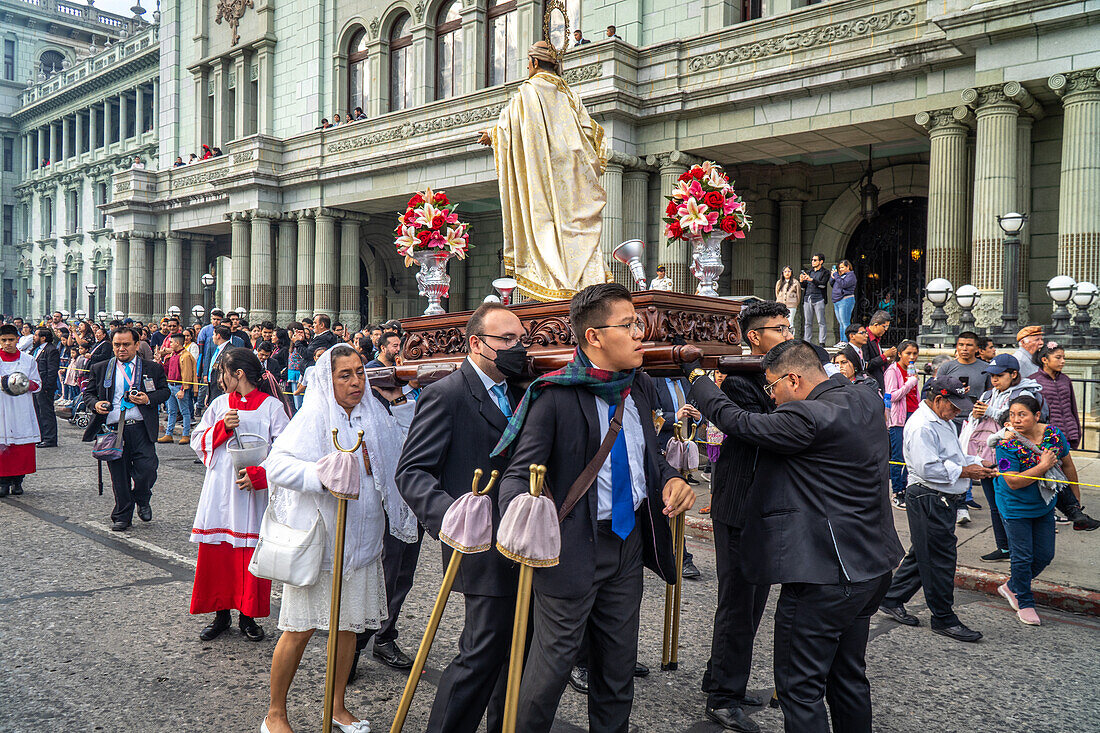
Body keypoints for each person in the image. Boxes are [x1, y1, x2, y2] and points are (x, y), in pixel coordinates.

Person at [495, 283, 695, 732]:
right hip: (570, 551)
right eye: (628, 325)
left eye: (637, 323)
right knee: (549, 674)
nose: (640, 333)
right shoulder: (556, 395)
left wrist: (674, 480)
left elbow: (650, 459)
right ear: (594, 338)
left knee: (617, 671)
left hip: (627, 545)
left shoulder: (638, 386)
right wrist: (529, 513)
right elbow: (515, 474)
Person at [686, 339, 903, 733]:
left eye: (772, 388)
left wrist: (700, 380)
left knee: (799, 689)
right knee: (849, 677)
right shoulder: (864, 399)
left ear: (793, 378)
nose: (772, 397)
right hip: (873, 565)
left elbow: (740, 423)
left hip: (825, 575)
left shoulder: (809, 417)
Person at [261, 345, 418, 733]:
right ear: (327, 380)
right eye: (344, 374)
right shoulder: (315, 416)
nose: (355, 381)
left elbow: (402, 447)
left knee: (348, 629)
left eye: (360, 373)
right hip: (324, 547)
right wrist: (321, 474)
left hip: (362, 546)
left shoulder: (373, 414)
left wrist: (398, 402)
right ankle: (275, 714)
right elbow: (276, 464)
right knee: (299, 630)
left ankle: (336, 705)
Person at [396, 303, 526, 733]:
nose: (516, 348)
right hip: (479, 541)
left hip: (521, 536)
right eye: (506, 340)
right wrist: (454, 518)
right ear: (476, 343)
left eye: (520, 340)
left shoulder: (519, 388)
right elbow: (412, 472)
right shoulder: (448, 393)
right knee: (481, 651)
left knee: (516, 650)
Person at [696, 300, 792, 733]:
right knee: (738, 603)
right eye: (779, 329)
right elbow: (763, 430)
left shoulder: (766, 378)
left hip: (763, 507)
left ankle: (719, 676)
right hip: (739, 505)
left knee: (753, 602)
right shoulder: (738, 381)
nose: (788, 335)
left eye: (789, 327)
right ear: (754, 337)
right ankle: (723, 696)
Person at [479, 42, 608, 301]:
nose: (528, 67)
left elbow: (512, 129)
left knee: (546, 225)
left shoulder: (529, 92)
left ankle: (555, 283)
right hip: (574, 173)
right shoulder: (570, 96)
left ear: (535, 63)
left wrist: (492, 135)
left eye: (528, 62)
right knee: (573, 229)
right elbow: (592, 135)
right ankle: (583, 283)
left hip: (545, 176)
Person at [878, 376, 993, 642]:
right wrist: (967, 470)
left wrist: (978, 462)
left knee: (924, 553)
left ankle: (892, 598)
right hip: (930, 497)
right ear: (938, 399)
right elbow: (928, 468)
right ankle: (943, 617)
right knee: (940, 560)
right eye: (954, 405)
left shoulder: (943, 421)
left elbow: (954, 457)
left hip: (940, 498)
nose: (957, 411)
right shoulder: (921, 426)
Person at [190, 348, 291, 643]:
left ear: (239, 374)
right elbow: (197, 440)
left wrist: (261, 476)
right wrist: (221, 427)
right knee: (219, 552)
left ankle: (248, 616)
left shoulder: (272, 407)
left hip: (252, 493)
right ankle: (221, 614)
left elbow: (286, 451)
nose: (221, 379)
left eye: (223, 372)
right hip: (221, 490)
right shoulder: (220, 404)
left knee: (250, 554)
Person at [993, 396, 1075, 626]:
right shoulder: (1006, 443)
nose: (1016, 420)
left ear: (1037, 416)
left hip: (1044, 503)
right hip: (1014, 506)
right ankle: (1024, 600)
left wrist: (1075, 504)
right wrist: (1042, 466)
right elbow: (1012, 481)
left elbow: (1068, 465)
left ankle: (1012, 586)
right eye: (1012, 415)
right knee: (1022, 557)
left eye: (1022, 414)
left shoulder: (1053, 435)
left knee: (1045, 555)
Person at [81, 327, 170, 531]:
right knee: (119, 475)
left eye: (126, 344)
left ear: (136, 345)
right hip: (113, 428)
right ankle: (122, 514)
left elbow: (164, 392)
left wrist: (148, 398)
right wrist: (95, 404)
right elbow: (89, 393)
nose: (121, 349)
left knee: (147, 469)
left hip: (140, 427)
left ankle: (142, 496)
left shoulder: (152, 368)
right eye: (117, 345)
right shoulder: (101, 367)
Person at [0, 324, 42, 498]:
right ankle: (2, 482)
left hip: (21, 406)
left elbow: (37, 384)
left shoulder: (28, 360)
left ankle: (18, 480)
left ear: (18, 339)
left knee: (21, 445)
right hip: (2, 407)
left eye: (11, 340)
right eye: (4, 340)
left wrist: (23, 383)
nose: (7, 343)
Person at [885, 340, 920, 508]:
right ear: (900, 354)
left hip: (913, 413)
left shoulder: (913, 371)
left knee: (911, 454)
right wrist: (910, 383)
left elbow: (915, 394)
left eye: (915, 354)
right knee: (898, 455)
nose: (912, 357)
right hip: (899, 417)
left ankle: (907, 488)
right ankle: (897, 492)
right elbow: (891, 396)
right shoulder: (893, 371)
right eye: (908, 354)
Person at [935, 331, 990, 427]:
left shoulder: (986, 368)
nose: (964, 349)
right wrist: (954, 391)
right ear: (956, 347)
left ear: (977, 348)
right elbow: (936, 392)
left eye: (969, 345)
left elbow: (990, 394)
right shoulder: (946, 367)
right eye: (961, 345)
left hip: (976, 419)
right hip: (951, 418)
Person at [1033, 343, 1081, 450]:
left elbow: (1073, 408)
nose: (1063, 361)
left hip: (1068, 433)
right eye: (1058, 358)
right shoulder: (1034, 381)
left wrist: (1076, 431)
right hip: (1047, 435)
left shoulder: (1065, 380)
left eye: (1064, 358)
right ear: (1045, 360)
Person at [160, 333, 197, 445]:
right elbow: (166, 370)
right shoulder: (172, 355)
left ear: (177, 343)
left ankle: (185, 434)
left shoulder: (185, 356)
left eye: (171, 342)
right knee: (171, 411)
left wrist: (183, 389)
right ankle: (168, 433)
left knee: (184, 411)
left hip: (179, 387)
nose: (170, 344)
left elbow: (187, 374)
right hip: (171, 385)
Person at [30, 328, 60, 448]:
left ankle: (50, 438)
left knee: (46, 412)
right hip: (36, 386)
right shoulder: (36, 350)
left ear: (43, 338)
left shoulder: (51, 350)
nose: (34, 337)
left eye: (36, 335)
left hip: (45, 387)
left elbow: (52, 370)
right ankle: (40, 436)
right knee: (38, 412)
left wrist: (47, 386)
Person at [861, 310, 897, 393]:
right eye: (884, 327)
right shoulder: (864, 339)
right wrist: (884, 356)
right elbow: (867, 364)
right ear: (876, 325)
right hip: (871, 384)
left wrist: (888, 360)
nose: (886, 330)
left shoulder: (876, 338)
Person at [798, 254, 829, 345]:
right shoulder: (809, 272)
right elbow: (804, 287)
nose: (812, 262)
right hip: (808, 298)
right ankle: (807, 341)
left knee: (821, 322)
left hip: (819, 298)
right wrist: (801, 281)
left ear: (821, 262)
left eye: (815, 260)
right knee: (807, 322)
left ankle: (822, 342)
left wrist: (812, 280)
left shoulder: (825, 272)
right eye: (812, 260)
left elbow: (822, 284)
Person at [205, 325, 232, 407]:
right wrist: (208, 394)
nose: (213, 337)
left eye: (214, 335)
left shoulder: (229, 351)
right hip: (213, 389)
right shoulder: (217, 349)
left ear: (218, 336)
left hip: (222, 392)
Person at [829, 259, 857, 338]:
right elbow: (832, 284)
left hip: (846, 300)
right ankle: (842, 340)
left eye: (842, 267)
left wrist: (837, 276)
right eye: (839, 268)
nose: (840, 269)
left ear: (847, 267)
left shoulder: (851, 275)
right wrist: (832, 277)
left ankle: (845, 340)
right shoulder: (840, 276)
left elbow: (843, 284)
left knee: (845, 322)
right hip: (837, 300)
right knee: (841, 323)